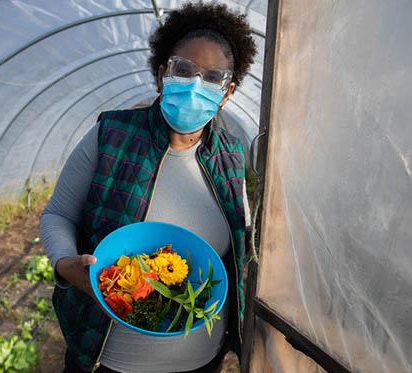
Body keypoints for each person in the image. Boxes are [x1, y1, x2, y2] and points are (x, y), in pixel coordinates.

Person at [40, 2, 256, 372]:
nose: (194, 85)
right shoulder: (111, 137)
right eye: (183, 69)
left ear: (228, 90)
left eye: (212, 77)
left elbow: (240, 239)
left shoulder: (231, 157)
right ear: (161, 74)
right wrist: (65, 264)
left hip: (202, 361)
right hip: (108, 360)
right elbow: (58, 214)